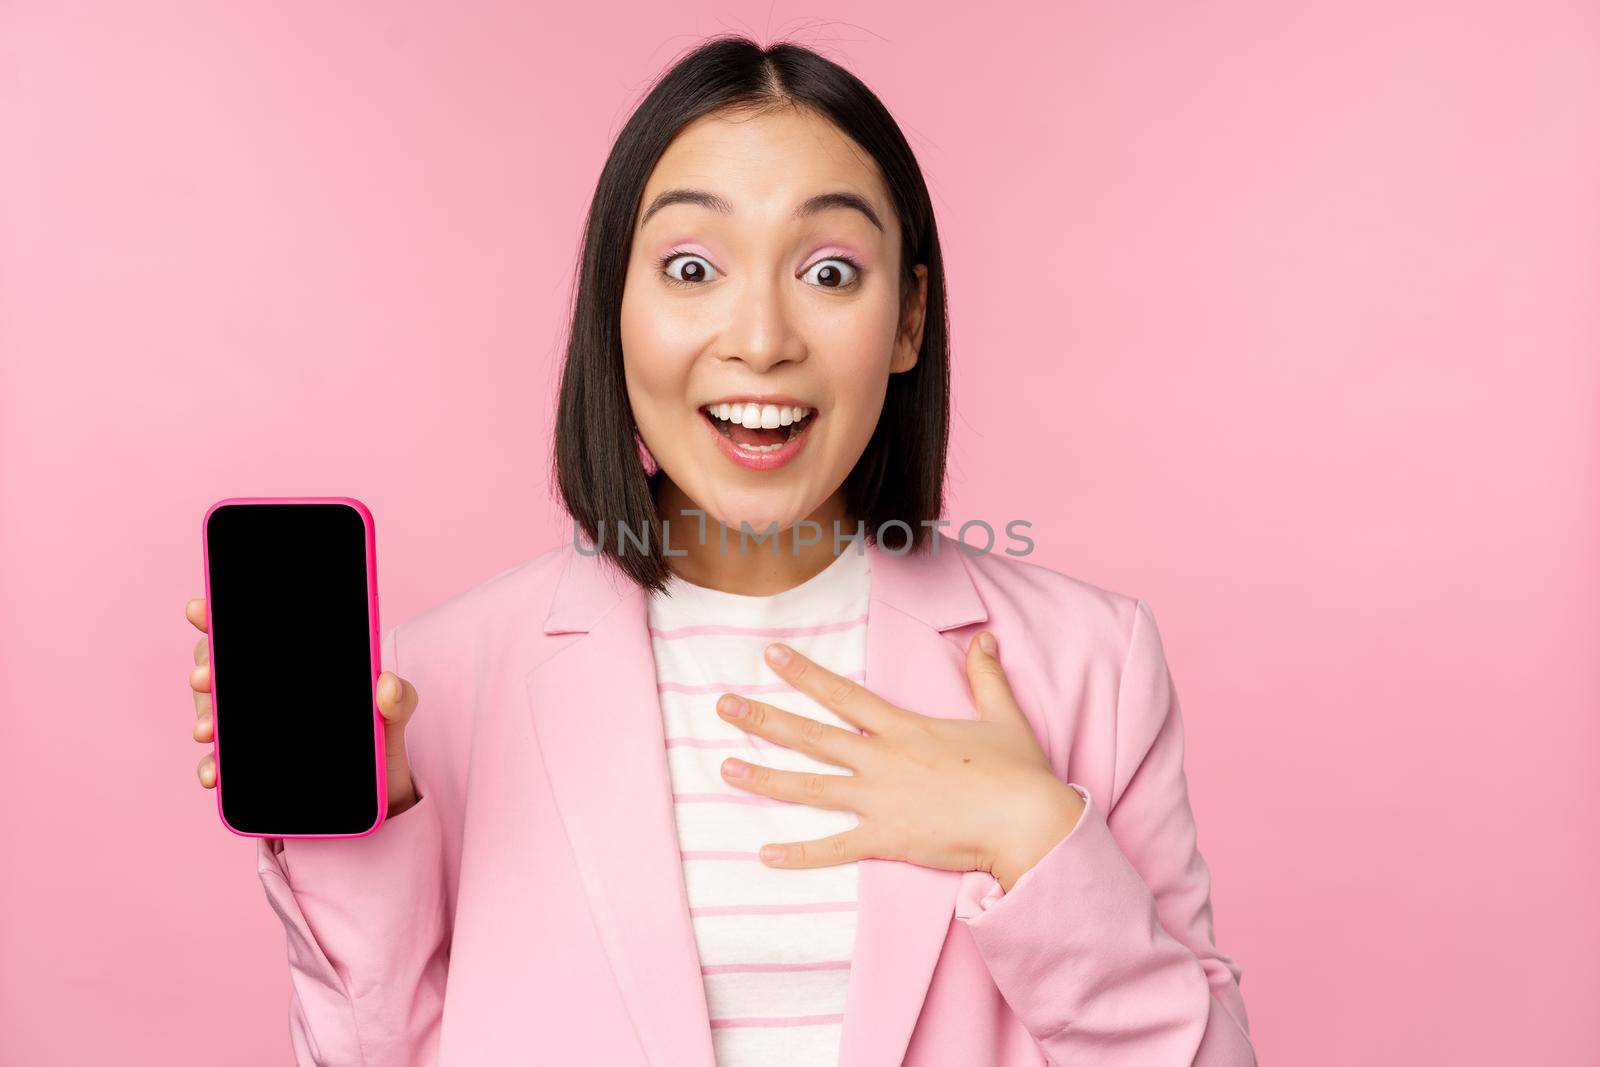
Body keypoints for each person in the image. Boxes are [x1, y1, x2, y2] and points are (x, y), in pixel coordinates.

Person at [186, 35, 1256, 1067]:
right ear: (616, 307)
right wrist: (360, 830)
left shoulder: (1090, 661)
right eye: (692, 266)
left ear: (907, 318)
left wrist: (1034, 833)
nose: (760, 336)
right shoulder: (443, 686)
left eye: (830, 272)